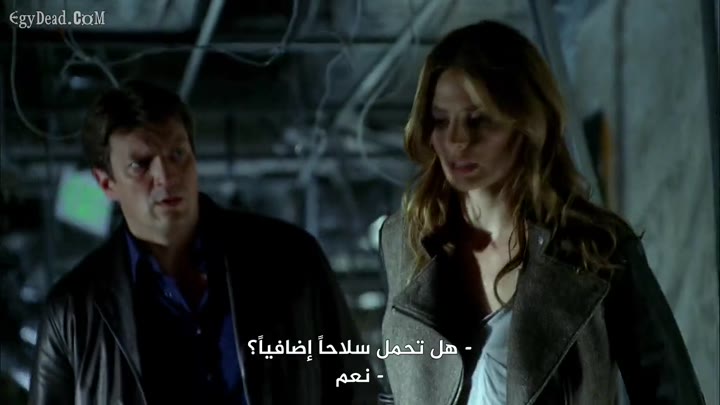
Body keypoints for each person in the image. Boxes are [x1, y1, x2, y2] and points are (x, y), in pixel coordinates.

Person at [376, 20, 706, 405]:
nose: (457, 140)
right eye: (440, 120)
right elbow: (398, 386)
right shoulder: (404, 241)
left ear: (526, 123)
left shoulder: (595, 248)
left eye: (478, 119)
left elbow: (672, 392)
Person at [28, 80, 378, 405]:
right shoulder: (73, 311)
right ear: (107, 183)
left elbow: (355, 387)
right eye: (141, 165)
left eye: (177, 155)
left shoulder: (291, 259)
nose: (165, 176)